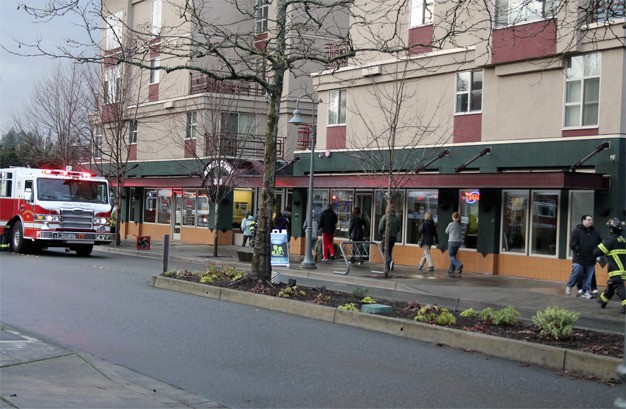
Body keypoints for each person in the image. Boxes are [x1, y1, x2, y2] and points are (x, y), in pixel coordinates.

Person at [565, 214, 602, 299]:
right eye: (589, 220)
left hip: (591, 259)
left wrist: (598, 253)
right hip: (579, 258)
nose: (591, 221)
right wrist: (579, 251)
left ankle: (585, 292)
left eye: (591, 220)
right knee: (577, 271)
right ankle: (570, 285)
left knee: (588, 277)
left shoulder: (595, 232)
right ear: (583, 221)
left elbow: (600, 243)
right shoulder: (576, 231)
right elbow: (572, 244)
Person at [595, 218, 626, 313]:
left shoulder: (611, 239)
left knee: (619, 286)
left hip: (616, 269)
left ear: (611, 229)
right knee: (612, 285)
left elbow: (597, 252)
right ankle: (602, 301)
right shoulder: (623, 239)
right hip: (623, 268)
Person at [378, 205, 401, 271]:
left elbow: (380, 228)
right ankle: (389, 266)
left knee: (384, 250)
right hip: (393, 237)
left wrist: (381, 233)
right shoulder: (396, 218)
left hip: (386, 236)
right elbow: (398, 228)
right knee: (389, 251)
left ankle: (389, 261)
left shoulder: (385, 217)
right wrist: (394, 233)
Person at [445, 211, 463, 276]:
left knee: (451, 256)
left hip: (452, 242)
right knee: (453, 256)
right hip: (459, 242)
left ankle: (459, 265)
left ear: (453, 217)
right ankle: (451, 270)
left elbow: (446, 231)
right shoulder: (460, 224)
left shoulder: (451, 224)